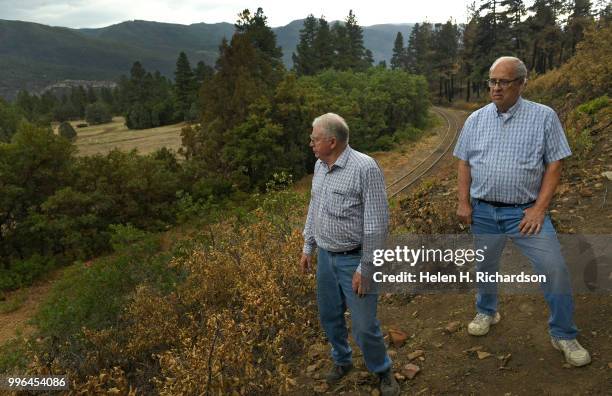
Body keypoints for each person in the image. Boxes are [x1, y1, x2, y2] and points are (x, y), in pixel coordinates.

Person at [453, 56, 591, 367]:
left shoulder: (543, 117)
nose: (496, 88)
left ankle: (564, 334)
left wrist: (539, 209)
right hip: (485, 212)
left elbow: (555, 163)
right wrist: (463, 202)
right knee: (485, 266)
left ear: (521, 84)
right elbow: (464, 162)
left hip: (524, 214)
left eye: (504, 81)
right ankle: (487, 311)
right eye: (492, 81)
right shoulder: (475, 120)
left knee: (554, 267)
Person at [300, 113, 400, 395]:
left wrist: (365, 267)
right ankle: (342, 361)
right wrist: (309, 246)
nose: (311, 143)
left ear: (332, 142)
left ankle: (382, 370)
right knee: (330, 317)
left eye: (315, 138)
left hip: (355, 260)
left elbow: (377, 224)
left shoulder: (365, 168)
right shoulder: (320, 166)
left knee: (365, 325)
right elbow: (314, 208)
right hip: (326, 260)